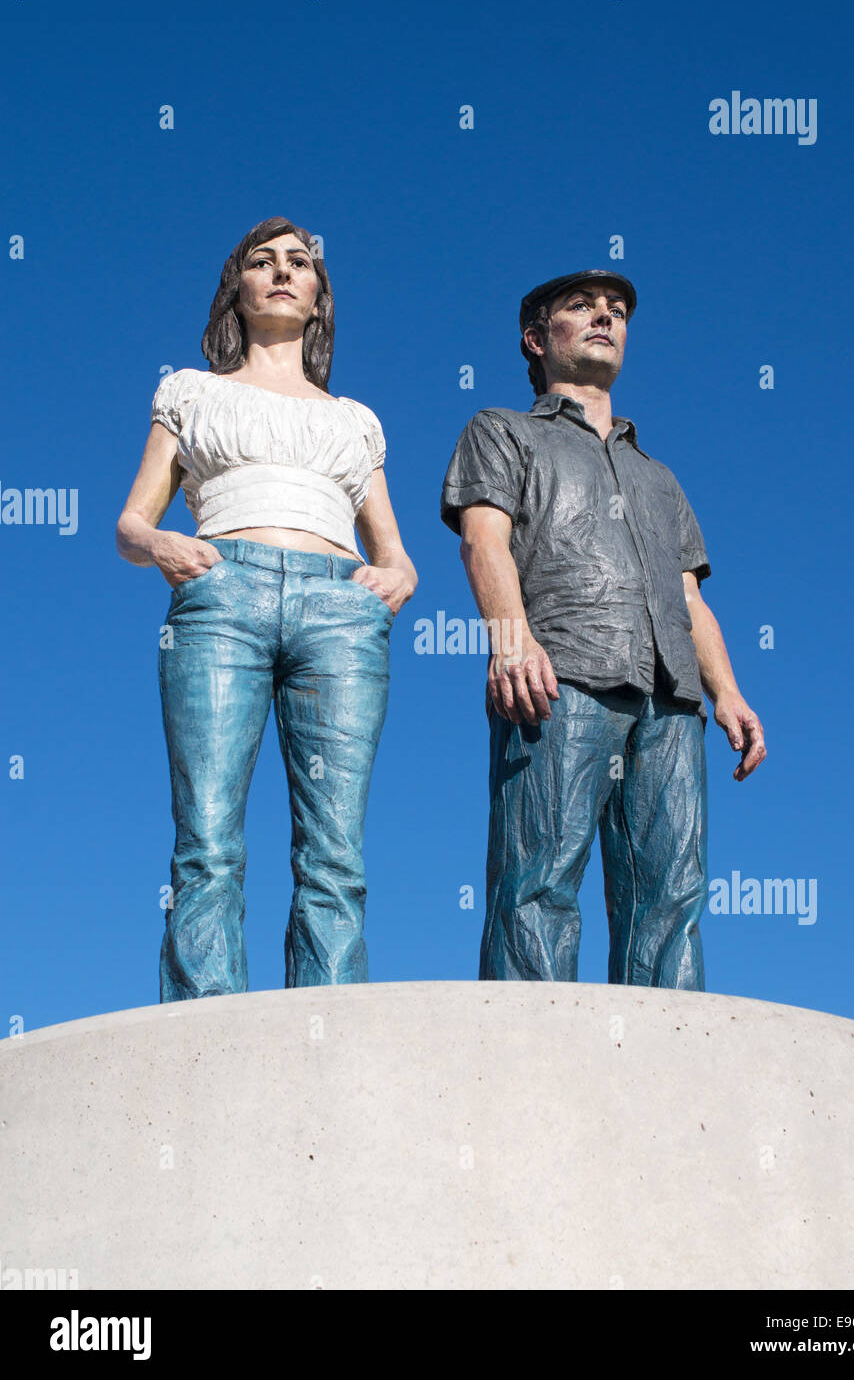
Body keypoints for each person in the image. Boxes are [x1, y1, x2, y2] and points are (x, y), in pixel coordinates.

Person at [117, 216, 417, 1001]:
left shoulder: (354, 419)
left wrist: (395, 579)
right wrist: (166, 546)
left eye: (298, 263)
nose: (282, 272)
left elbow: (396, 550)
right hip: (223, 594)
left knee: (335, 850)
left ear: (319, 298)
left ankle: (329, 1029)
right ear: (238, 289)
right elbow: (129, 523)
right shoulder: (191, 391)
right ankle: (203, 1033)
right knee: (208, 838)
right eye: (262, 262)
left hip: (337, 607)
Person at [440, 269, 765, 986]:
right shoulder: (502, 431)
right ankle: (530, 1070)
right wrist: (509, 640)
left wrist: (729, 694)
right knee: (539, 879)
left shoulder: (657, 476)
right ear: (535, 338)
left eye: (615, 311)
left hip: (671, 697)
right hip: (560, 679)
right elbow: (482, 541)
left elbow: (689, 599)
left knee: (671, 895)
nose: (603, 317)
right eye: (581, 307)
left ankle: (666, 1066)